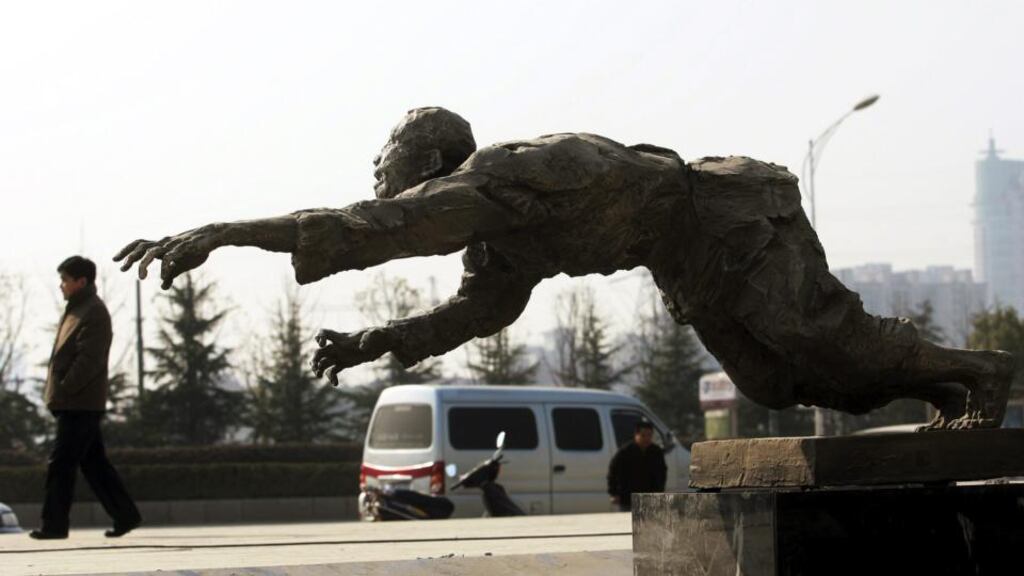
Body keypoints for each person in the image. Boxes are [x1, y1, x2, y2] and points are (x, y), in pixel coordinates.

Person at [114, 107, 1014, 431]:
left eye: (390, 179)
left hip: (726, 217)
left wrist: (217, 232)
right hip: (684, 252)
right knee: (777, 382)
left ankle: (979, 375)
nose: (386, 195)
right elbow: (474, 317)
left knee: (817, 337)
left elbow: (366, 229)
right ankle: (940, 391)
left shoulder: (500, 178)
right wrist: (372, 341)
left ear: (426, 164)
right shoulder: (501, 234)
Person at [30, 256, 141, 540]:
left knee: (61, 464)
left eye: (66, 280)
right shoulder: (77, 309)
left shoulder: (93, 312)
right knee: (94, 464)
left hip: (80, 403)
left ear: (82, 281)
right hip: (73, 402)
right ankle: (125, 515)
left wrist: (65, 387)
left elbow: (89, 360)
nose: (61, 285)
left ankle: (54, 525)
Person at [607, 420, 667, 512]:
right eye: (643, 435)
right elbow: (613, 472)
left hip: (649, 499)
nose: (646, 438)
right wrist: (614, 493)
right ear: (636, 435)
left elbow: (662, 474)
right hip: (628, 499)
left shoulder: (656, 452)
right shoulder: (625, 452)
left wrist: (659, 493)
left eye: (649, 435)